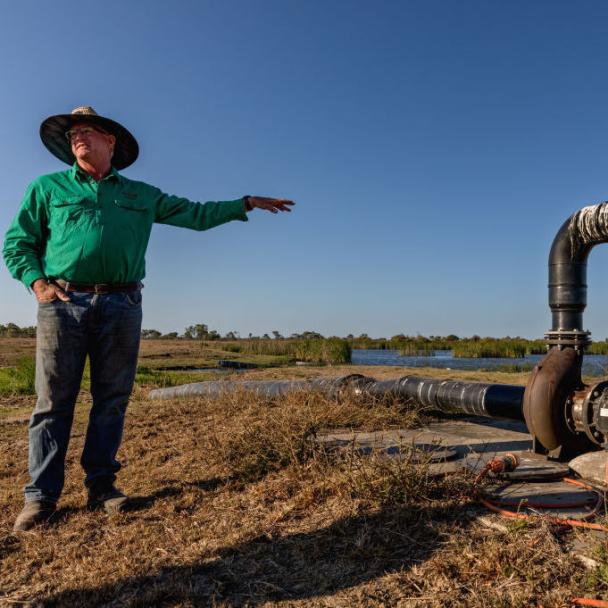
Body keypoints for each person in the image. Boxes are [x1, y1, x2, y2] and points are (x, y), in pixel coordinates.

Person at [3, 106, 294, 532]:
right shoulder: (47, 188)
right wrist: (38, 284)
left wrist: (244, 202)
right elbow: (17, 244)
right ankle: (41, 497)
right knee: (52, 404)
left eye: (88, 130)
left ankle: (101, 486)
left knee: (112, 400)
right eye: (73, 133)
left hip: (122, 305)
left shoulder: (140, 193)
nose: (78, 137)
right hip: (63, 303)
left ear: (111, 142)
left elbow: (195, 214)